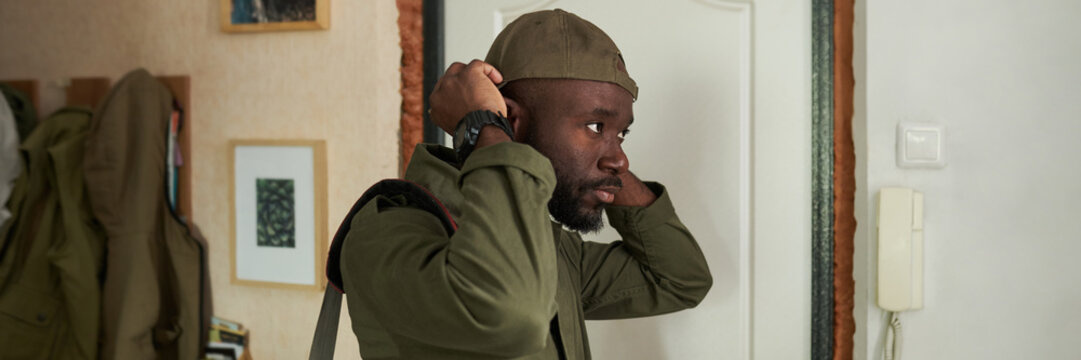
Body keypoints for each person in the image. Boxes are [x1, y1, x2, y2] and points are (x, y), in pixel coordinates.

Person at [340, 9, 712, 359]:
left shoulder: (553, 246)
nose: (621, 159)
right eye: (596, 126)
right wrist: (483, 124)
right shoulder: (390, 229)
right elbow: (510, 315)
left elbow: (678, 280)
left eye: (622, 134)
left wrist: (604, 168)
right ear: (511, 120)